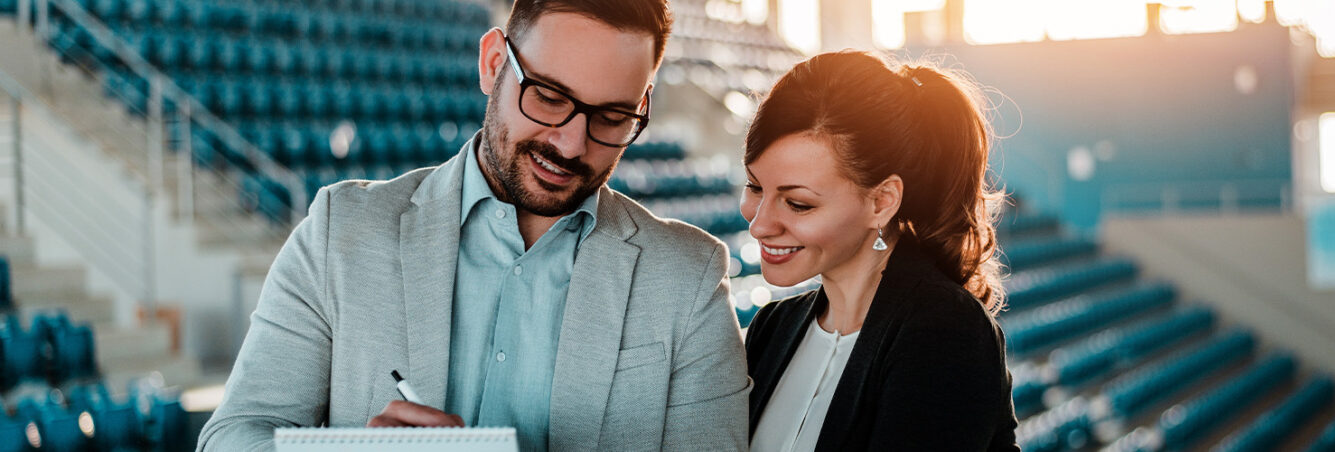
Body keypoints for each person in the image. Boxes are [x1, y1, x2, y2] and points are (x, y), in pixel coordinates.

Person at [198, 1, 751, 450]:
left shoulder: (689, 277)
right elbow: (233, 435)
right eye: (549, 97)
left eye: (612, 117)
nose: (571, 143)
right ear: (492, 64)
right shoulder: (339, 231)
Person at [740, 50, 1019, 451]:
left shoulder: (945, 332)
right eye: (754, 187)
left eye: (798, 203)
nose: (759, 223)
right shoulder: (774, 327)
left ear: (882, 201)